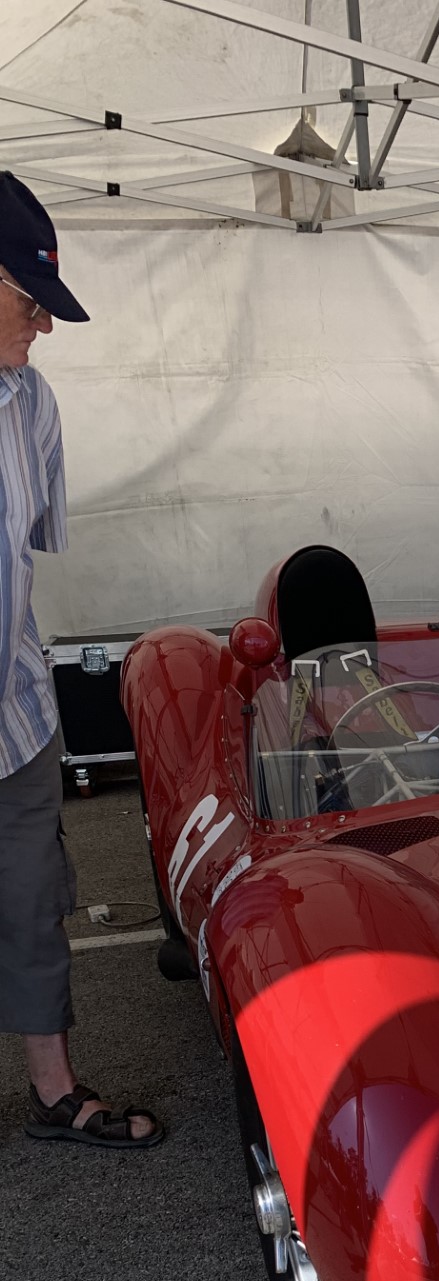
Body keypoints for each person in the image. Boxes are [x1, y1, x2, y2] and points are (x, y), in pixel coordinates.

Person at [0, 174, 162, 1147]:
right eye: (30, 300)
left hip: (14, 714)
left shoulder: (32, 403)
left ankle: (55, 1093)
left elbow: (23, 558)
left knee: (34, 900)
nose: (45, 325)